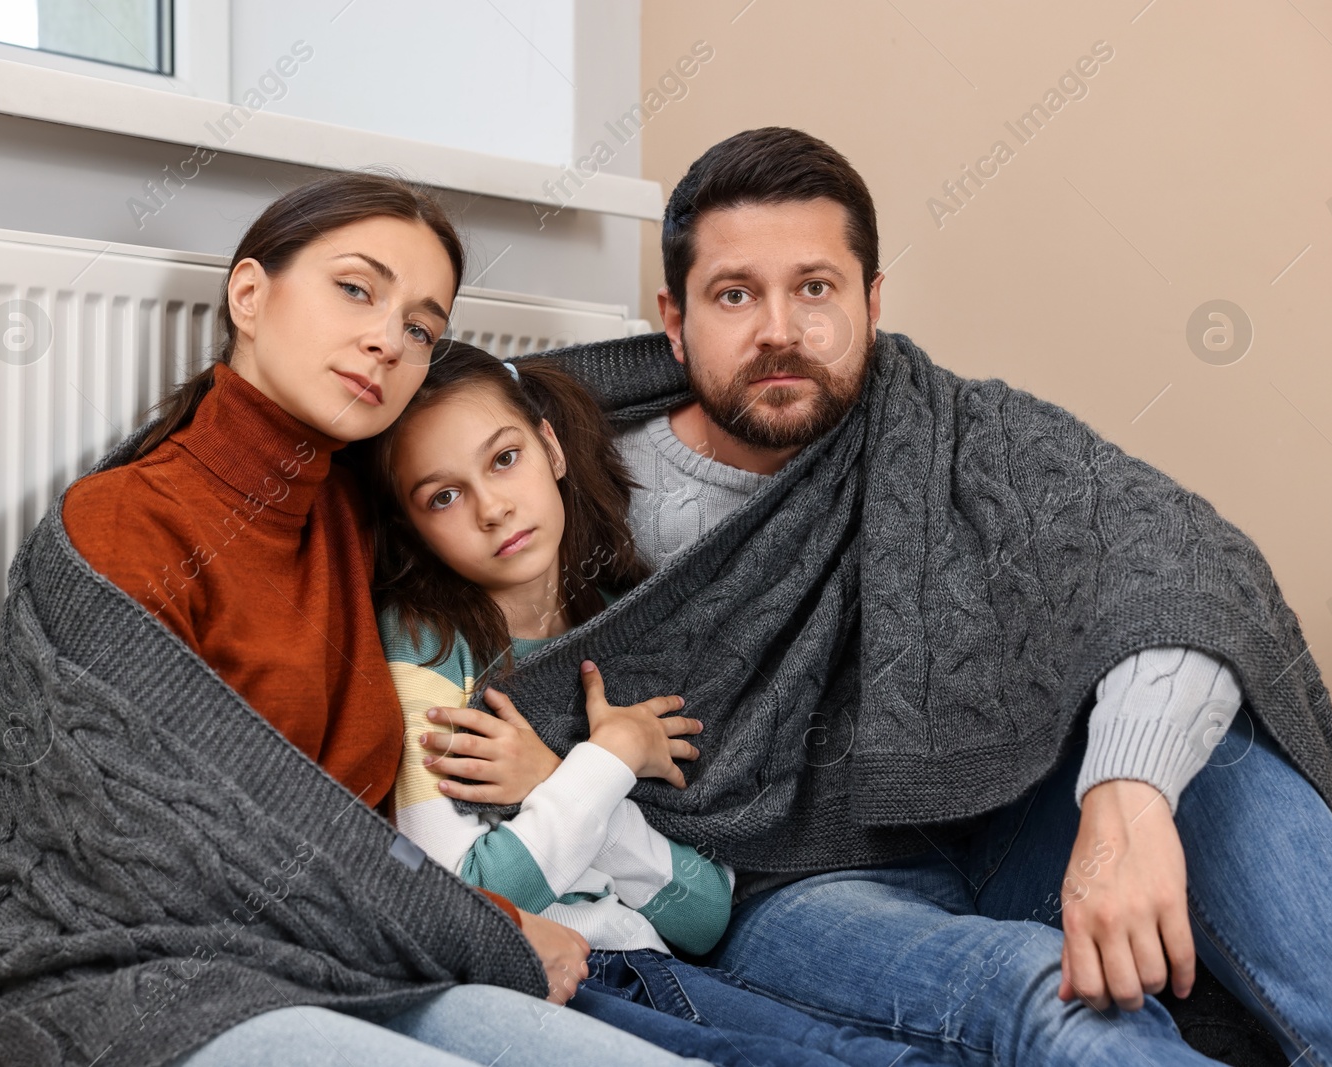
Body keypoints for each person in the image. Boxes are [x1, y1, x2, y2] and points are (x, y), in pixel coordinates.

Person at [491, 127, 1332, 1066]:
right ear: (674, 316)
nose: (779, 329)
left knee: (1207, 751)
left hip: (1004, 818)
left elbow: (1181, 562)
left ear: (872, 301)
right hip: (787, 888)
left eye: (816, 288)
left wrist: (1125, 799)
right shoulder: (565, 488)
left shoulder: (944, 428)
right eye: (736, 294)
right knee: (1042, 991)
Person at [0, 172, 698, 1067]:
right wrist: (490, 921)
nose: (387, 339)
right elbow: (185, 842)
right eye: (356, 288)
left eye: (422, 326)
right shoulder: (119, 528)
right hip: (144, 986)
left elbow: (525, 402)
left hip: (360, 967)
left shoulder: (365, 508)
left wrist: (753, 356)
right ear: (250, 293)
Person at [361, 339, 944, 1065]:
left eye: (504, 458)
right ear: (412, 526)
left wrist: (556, 776)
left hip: (656, 962)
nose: (491, 508)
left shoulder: (625, 624)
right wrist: (608, 760)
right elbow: (476, 897)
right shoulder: (427, 650)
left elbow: (703, 911)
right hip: (561, 977)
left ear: (551, 446)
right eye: (442, 496)